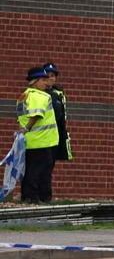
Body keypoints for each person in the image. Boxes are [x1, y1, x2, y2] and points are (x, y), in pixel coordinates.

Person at [16, 67, 59, 203]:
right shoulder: (39, 96)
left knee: (29, 170)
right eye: (43, 80)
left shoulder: (25, 95)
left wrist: (23, 131)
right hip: (41, 141)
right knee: (40, 171)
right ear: (35, 82)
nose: (46, 83)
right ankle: (34, 198)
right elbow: (36, 115)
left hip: (30, 141)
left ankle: (27, 196)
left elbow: (21, 117)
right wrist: (26, 129)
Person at [42, 63, 72, 163]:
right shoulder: (38, 93)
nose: (50, 78)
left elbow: (62, 116)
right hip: (42, 137)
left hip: (55, 136)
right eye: (47, 75)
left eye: (52, 76)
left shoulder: (58, 93)